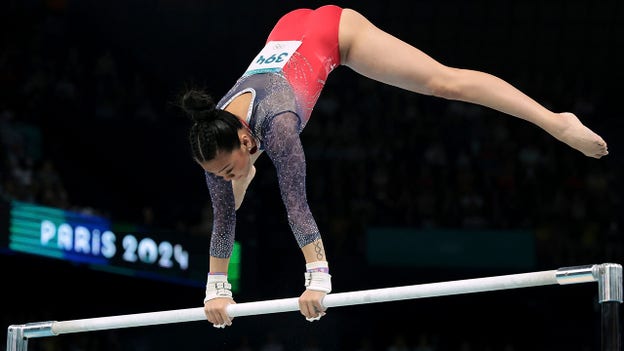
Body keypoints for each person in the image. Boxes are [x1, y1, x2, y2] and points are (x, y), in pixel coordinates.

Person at [178, 4, 608, 328]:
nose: (218, 174)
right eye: (216, 171)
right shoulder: (211, 137)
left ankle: (555, 121)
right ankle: (246, 176)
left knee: (444, 82)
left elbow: (297, 204)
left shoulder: (279, 124)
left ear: (245, 139)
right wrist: (216, 289)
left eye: (228, 167)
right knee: (228, 195)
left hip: (332, 32)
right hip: (284, 35)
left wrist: (318, 277)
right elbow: (222, 221)